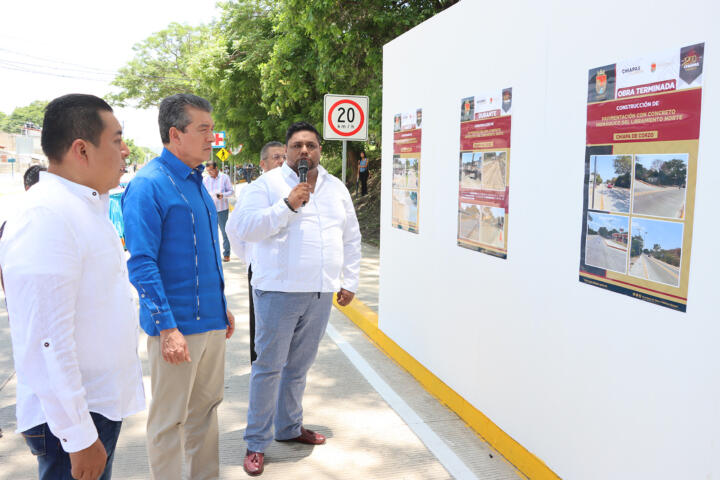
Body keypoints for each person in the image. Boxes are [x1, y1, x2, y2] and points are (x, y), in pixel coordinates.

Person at [0, 93, 144, 480]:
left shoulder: (84, 206)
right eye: (116, 140)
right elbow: (46, 339)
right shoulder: (47, 216)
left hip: (94, 404)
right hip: (72, 417)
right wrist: (79, 436)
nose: (125, 150)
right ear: (82, 149)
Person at [232, 122, 361, 476]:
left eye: (311, 145)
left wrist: (349, 279)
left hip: (319, 292)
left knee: (299, 368)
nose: (304, 151)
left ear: (320, 150)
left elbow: (350, 236)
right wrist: (287, 206)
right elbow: (243, 229)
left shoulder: (336, 188)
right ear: (286, 151)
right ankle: (256, 442)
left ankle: (288, 427)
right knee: (268, 368)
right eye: (297, 145)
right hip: (277, 293)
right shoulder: (267, 185)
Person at [121, 93, 235, 480]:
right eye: (203, 129)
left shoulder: (197, 182)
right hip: (177, 329)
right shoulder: (149, 185)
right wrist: (167, 328)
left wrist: (222, 307)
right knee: (169, 422)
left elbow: (202, 255)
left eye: (211, 129)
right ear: (175, 133)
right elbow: (141, 263)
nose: (212, 138)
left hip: (211, 322)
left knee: (206, 412)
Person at [226, 141, 285, 364]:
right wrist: (248, 258)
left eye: (283, 157)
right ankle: (260, 367)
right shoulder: (254, 190)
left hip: (287, 271)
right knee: (261, 324)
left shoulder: (294, 187)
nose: (281, 161)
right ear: (263, 163)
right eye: (276, 157)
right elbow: (232, 229)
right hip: (261, 269)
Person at [203, 160, 234, 262]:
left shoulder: (224, 177)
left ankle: (226, 254)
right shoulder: (206, 180)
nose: (209, 173)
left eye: (211, 170)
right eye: (208, 171)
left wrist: (223, 195)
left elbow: (231, 192)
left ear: (216, 168)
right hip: (210, 210)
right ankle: (213, 255)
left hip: (222, 210)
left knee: (225, 232)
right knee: (211, 233)